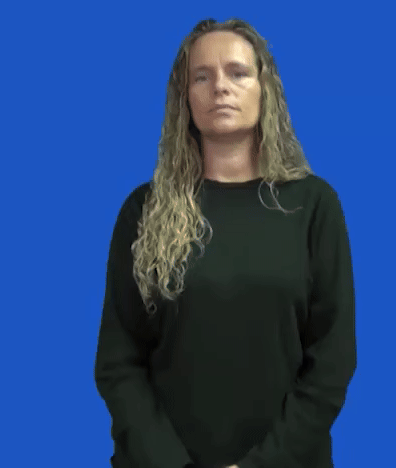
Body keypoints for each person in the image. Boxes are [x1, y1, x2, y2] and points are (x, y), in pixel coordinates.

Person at [94, 17, 357, 468]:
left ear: (264, 89)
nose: (220, 87)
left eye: (238, 73)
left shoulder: (313, 206)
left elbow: (332, 361)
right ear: (185, 97)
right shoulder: (144, 210)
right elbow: (119, 363)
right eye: (202, 76)